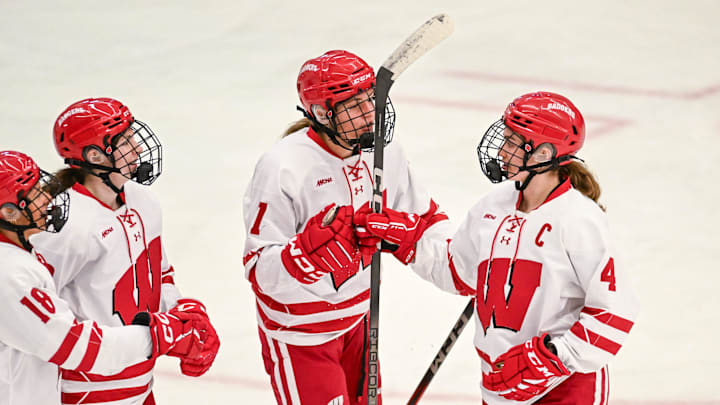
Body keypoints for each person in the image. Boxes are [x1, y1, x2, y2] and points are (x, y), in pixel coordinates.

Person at [355, 92, 640, 404]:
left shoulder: (579, 220)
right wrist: (408, 242)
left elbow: (615, 311)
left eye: (512, 142)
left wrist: (556, 356)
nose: (502, 151)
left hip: (564, 387)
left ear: (543, 153)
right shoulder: (494, 206)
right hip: (501, 384)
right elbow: (458, 273)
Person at [242, 50, 450, 405]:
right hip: (301, 335)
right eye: (355, 106)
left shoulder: (387, 153)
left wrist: (451, 256)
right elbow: (259, 269)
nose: (370, 112)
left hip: (359, 324)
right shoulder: (283, 166)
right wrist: (302, 257)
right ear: (323, 113)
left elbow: (427, 222)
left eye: (371, 98)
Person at [30, 98, 220, 405]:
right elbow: (41, 316)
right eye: (126, 141)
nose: (139, 149)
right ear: (95, 155)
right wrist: (151, 337)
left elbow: (159, 271)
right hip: (88, 390)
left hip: (141, 380)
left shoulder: (144, 200)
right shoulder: (64, 225)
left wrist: (182, 315)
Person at [0, 150, 212, 404]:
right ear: (9, 212)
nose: (49, 197)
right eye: (35, 192)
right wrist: (160, 336)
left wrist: (176, 314)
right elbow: (74, 346)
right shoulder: (10, 274)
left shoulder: (19, 258)